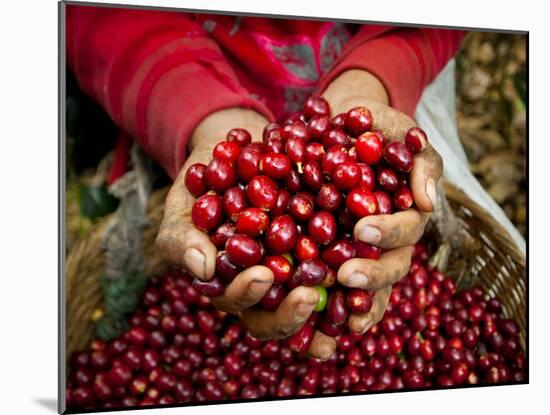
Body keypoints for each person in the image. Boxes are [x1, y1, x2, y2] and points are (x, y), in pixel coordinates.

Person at [66, 4, 465, 359]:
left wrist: (375, 76)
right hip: (178, 88)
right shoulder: (273, 192)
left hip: (375, 61)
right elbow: (95, 13)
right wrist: (201, 115)